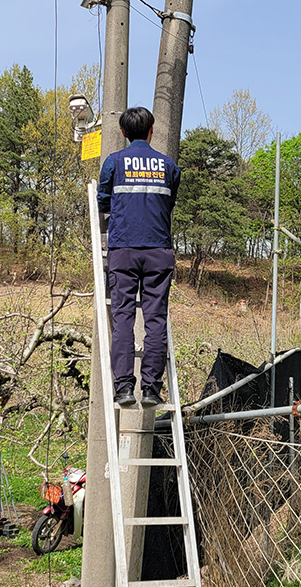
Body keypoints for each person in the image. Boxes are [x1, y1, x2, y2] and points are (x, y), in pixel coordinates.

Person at [97, 107, 181, 409]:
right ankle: (150, 389)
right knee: (155, 320)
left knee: (123, 320)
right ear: (152, 129)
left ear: (122, 132)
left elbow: (103, 201)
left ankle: (123, 389)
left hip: (123, 250)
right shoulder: (169, 166)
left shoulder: (114, 162)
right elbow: (168, 203)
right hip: (158, 250)